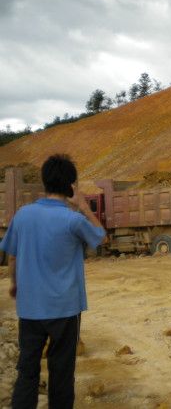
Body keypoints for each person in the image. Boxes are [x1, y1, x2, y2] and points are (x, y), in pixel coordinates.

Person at [0, 155, 106, 409]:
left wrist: (15, 284)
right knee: (61, 373)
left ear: (44, 182)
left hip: (30, 308)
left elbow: (12, 257)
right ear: (72, 185)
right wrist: (83, 206)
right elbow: (101, 238)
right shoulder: (74, 220)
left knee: (27, 371)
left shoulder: (23, 215)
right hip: (65, 309)